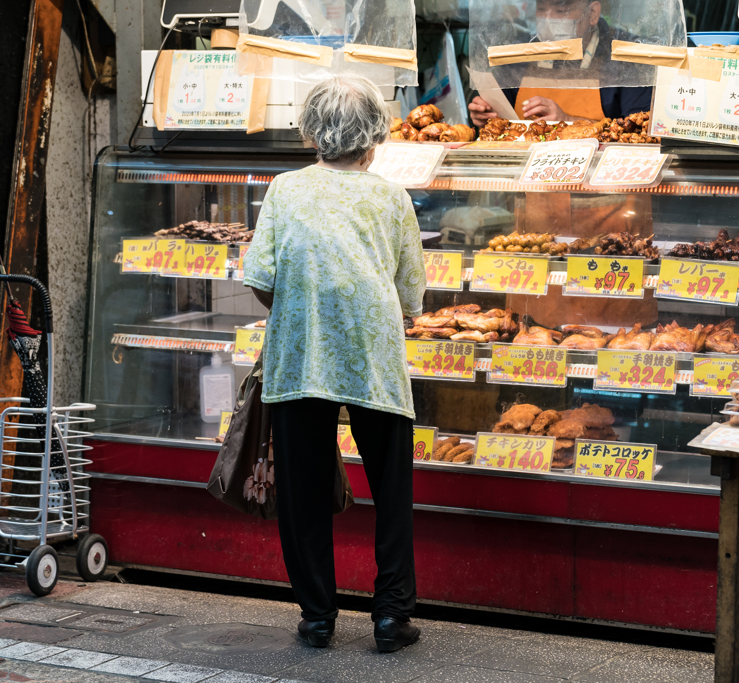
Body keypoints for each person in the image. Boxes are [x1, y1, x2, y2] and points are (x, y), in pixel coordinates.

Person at [242, 76, 427, 653]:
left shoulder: (285, 191)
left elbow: (261, 280)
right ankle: (391, 617)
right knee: (391, 490)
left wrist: (303, 307)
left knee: (304, 491)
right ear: (374, 138)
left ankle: (318, 616)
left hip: (302, 357)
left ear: (310, 133)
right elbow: (411, 299)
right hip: (374, 357)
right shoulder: (392, 198)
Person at [468, 0, 653, 126]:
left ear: (592, 13)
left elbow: (638, 133)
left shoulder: (628, 56)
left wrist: (568, 120)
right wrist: (485, 115)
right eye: (541, 9)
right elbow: (500, 118)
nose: (548, 19)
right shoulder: (519, 52)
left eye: (561, 10)